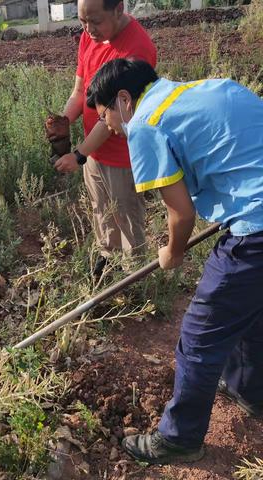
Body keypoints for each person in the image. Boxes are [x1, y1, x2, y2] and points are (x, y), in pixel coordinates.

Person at [86, 58, 263, 464]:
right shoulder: (208, 87)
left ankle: (180, 438)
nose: (110, 127)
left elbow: (181, 214)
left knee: (200, 338)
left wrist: (172, 252)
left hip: (255, 232)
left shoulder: (146, 122)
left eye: (106, 115)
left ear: (124, 100)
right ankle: (249, 389)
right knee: (253, 311)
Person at [45, 0, 156, 276]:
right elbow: (80, 90)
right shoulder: (89, 36)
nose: (88, 29)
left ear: (118, 9)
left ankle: (135, 275)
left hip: (122, 155)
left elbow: (113, 119)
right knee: (101, 210)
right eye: (83, 22)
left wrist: (79, 154)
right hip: (95, 153)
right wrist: (65, 120)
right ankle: (109, 258)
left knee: (126, 215)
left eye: (95, 21)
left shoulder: (137, 48)